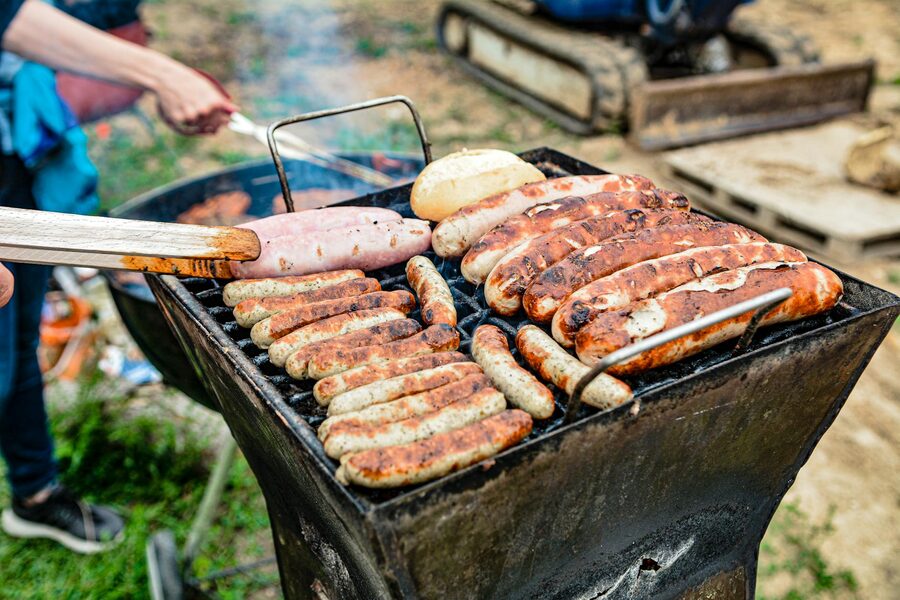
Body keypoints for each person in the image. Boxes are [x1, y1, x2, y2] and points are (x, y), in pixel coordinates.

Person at [0, 0, 234, 553]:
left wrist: (156, 75)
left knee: (18, 337)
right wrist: (162, 73)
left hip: (9, 159)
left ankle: (35, 491)